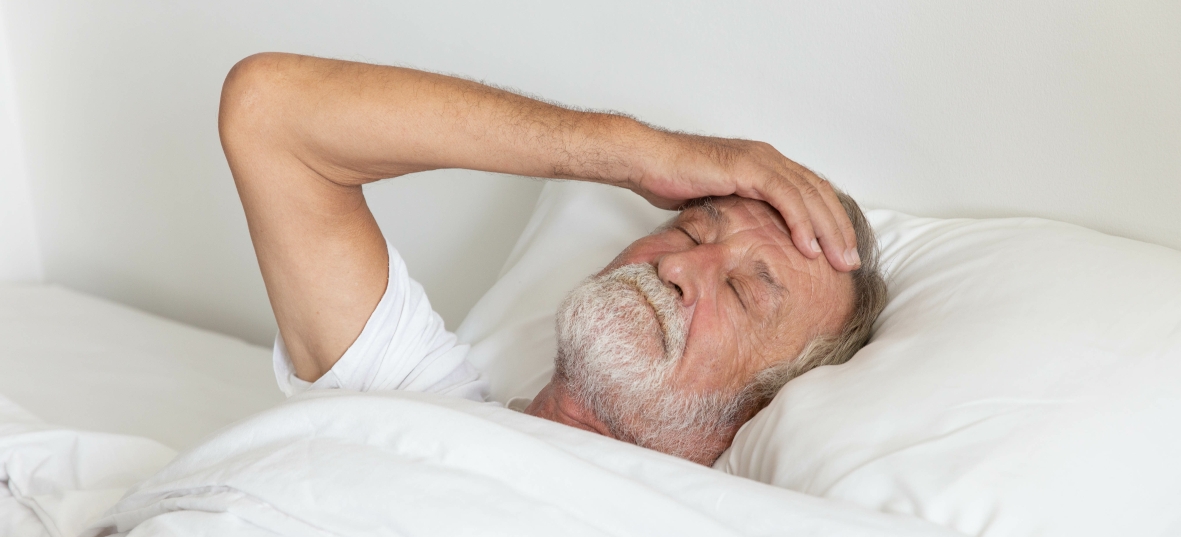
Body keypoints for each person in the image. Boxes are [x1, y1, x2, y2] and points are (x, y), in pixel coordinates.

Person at [218, 53, 886, 467]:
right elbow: (270, 111)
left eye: (741, 292)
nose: (678, 268)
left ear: (761, 412)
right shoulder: (421, 404)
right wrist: (635, 152)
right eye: (688, 232)